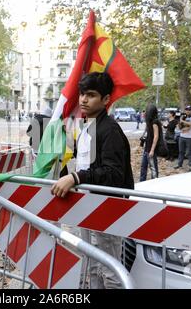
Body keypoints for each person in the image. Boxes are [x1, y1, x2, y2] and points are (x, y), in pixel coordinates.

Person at [50, 72, 133, 289]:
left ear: (106, 100)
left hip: (107, 208)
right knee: (92, 264)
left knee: (110, 269)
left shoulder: (110, 130)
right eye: (82, 94)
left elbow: (113, 173)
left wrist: (77, 177)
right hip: (88, 205)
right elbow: (88, 161)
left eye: (91, 95)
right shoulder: (89, 125)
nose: (84, 100)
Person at [139, 104, 162, 181]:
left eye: (146, 110)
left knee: (153, 168)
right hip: (147, 147)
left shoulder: (155, 122)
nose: (145, 112)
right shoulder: (149, 121)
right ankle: (142, 181)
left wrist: (152, 150)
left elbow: (156, 136)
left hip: (151, 149)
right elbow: (146, 132)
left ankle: (154, 182)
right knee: (143, 166)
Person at [174, 105, 191, 171]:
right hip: (182, 136)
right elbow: (179, 127)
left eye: (189, 110)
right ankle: (179, 164)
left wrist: (182, 120)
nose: (188, 111)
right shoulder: (183, 117)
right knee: (181, 151)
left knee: (190, 152)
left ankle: (190, 165)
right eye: (186, 110)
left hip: (190, 137)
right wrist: (179, 123)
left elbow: (190, 124)